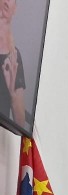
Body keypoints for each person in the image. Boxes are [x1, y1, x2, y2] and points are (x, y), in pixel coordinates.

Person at [0, 0, 25, 128]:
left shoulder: (15, 58)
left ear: (15, 9)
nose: (5, 2)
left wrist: (13, 94)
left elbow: (20, 122)